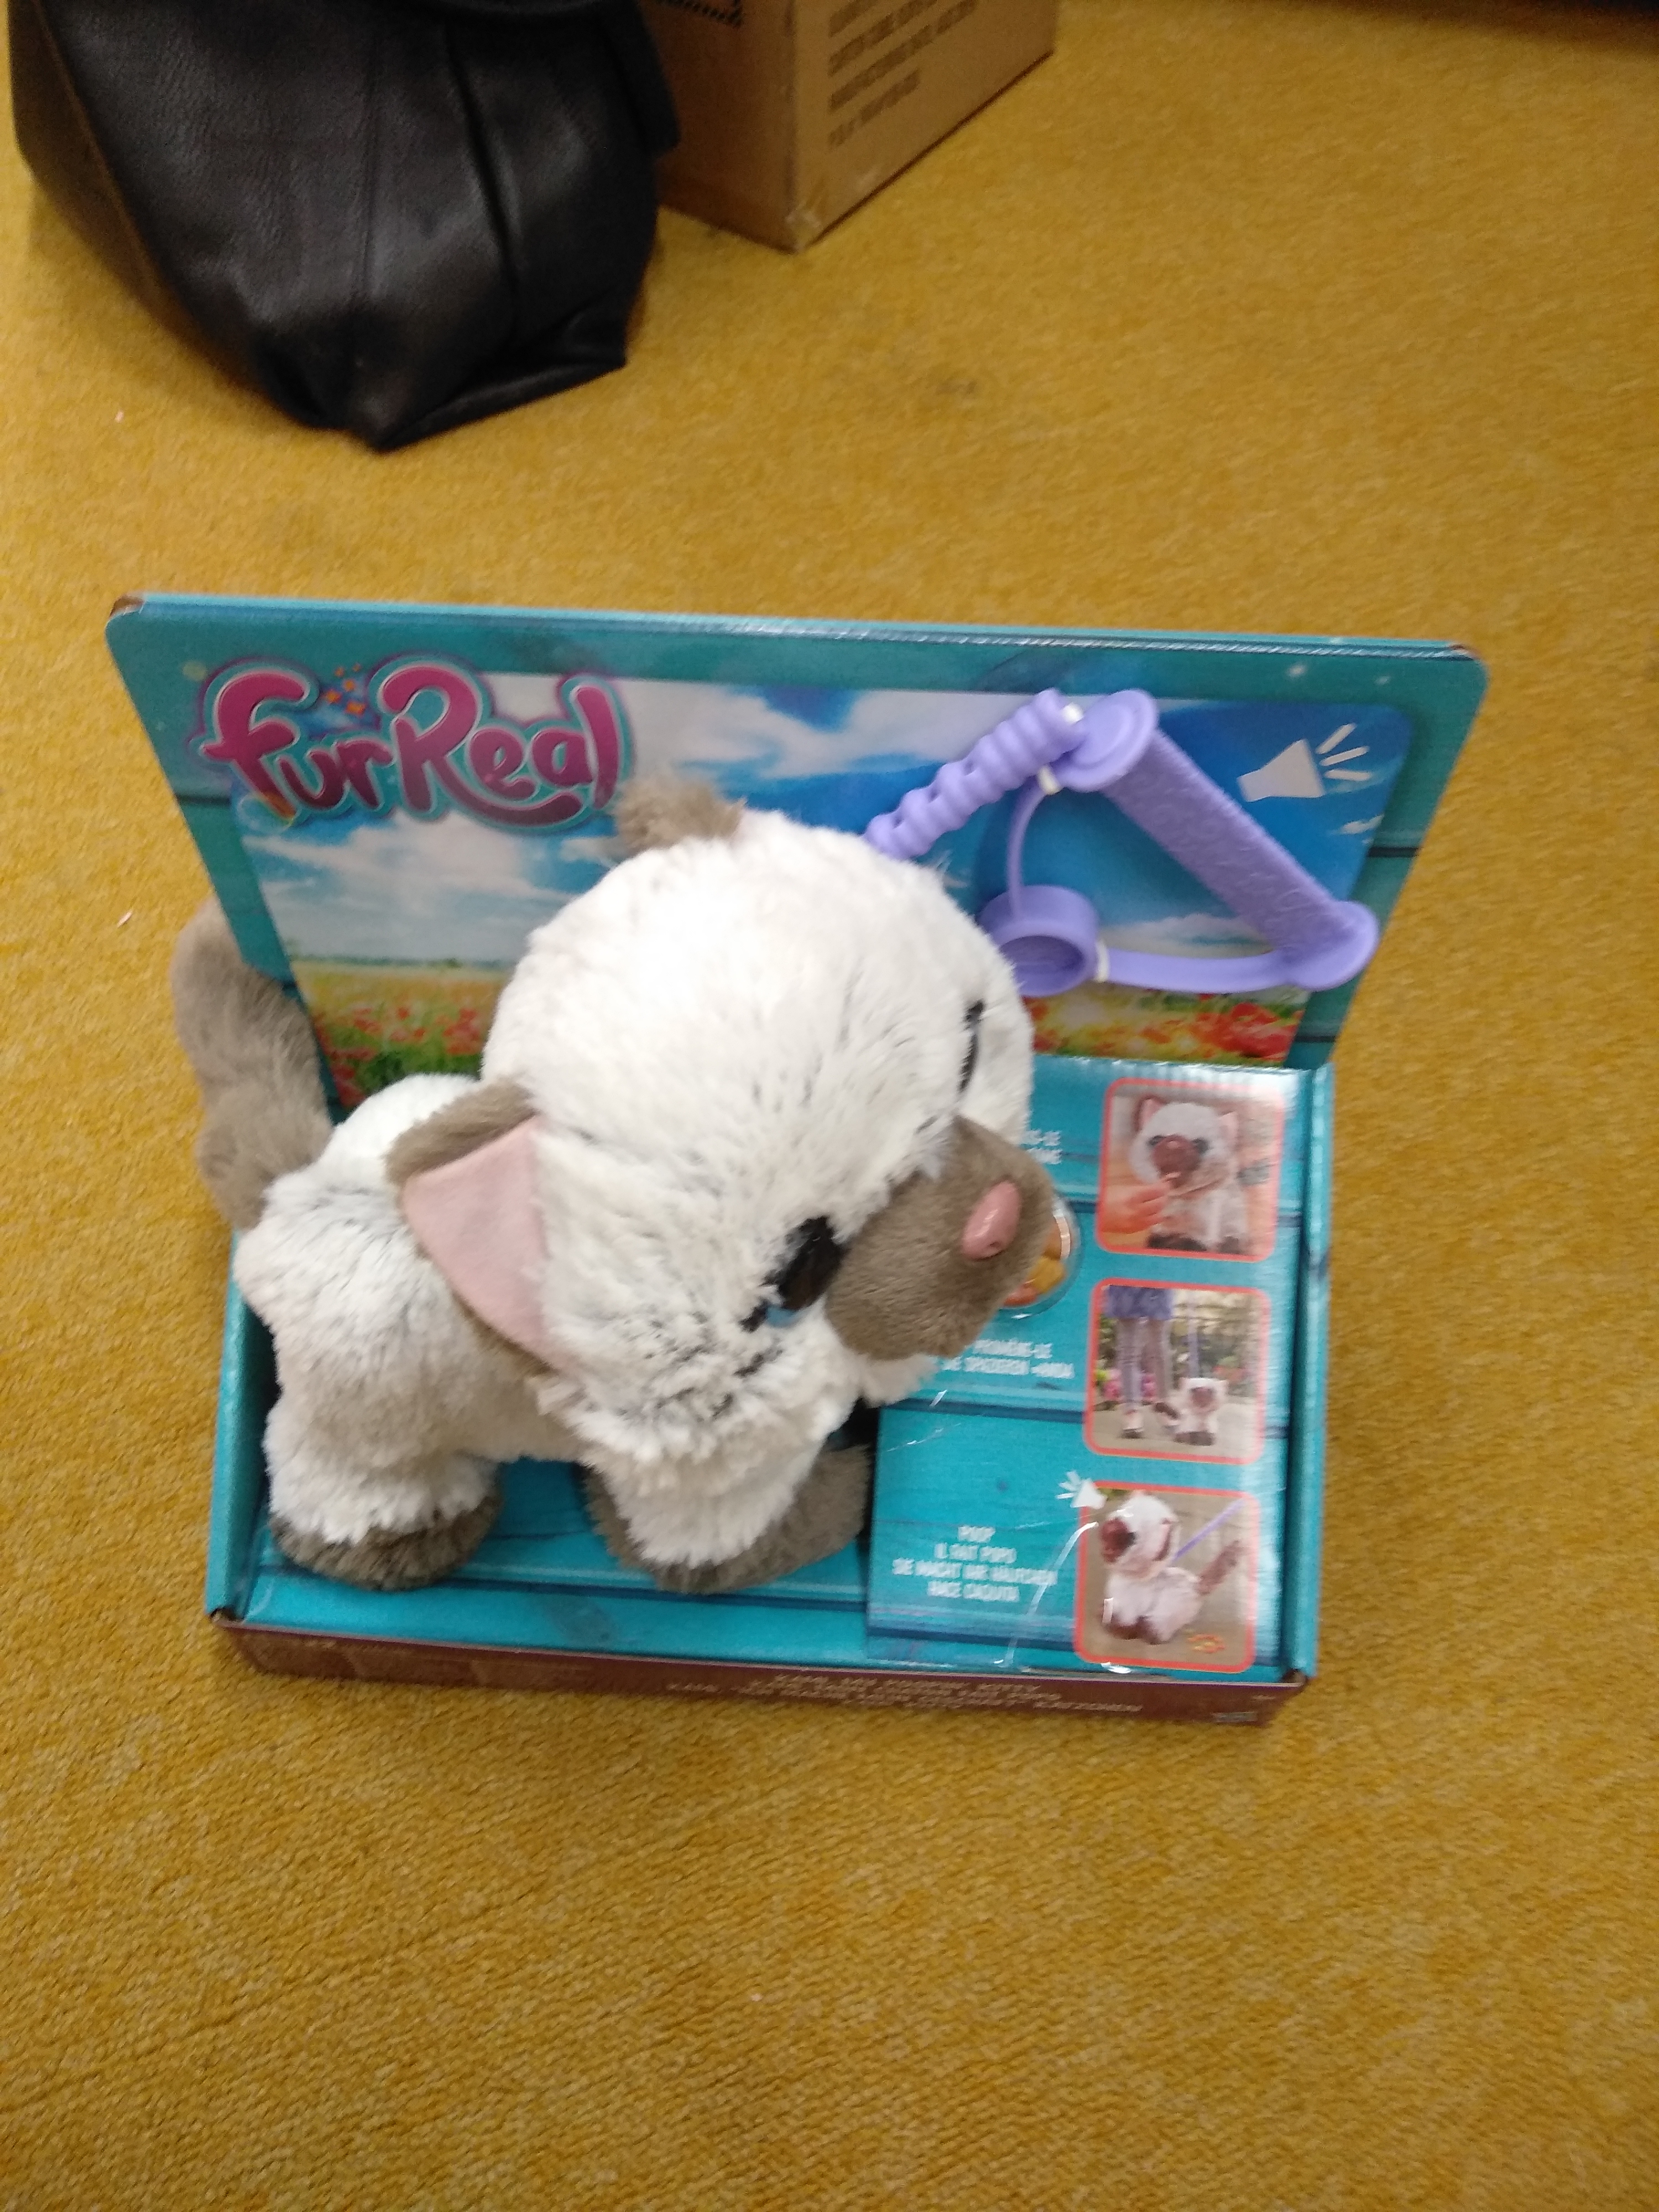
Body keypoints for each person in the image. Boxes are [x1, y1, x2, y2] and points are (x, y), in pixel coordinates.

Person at [1103, 1283, 1175, 1439]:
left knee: (1160, 1346)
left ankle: (1163, 1404)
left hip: (1158, 1277)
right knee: (1128, 1348)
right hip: (1128, 1280)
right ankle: (1132, 1410)